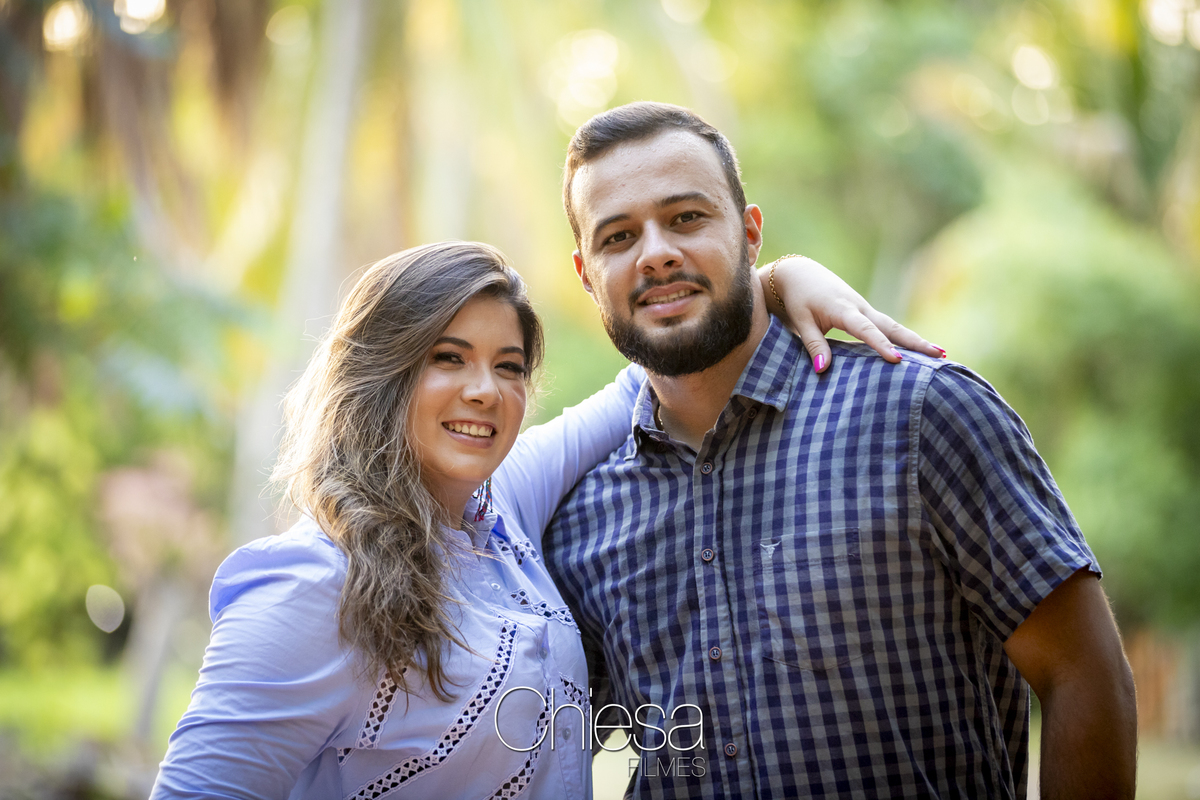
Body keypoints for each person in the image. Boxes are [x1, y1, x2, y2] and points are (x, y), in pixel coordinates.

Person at [150, 241, 933, 798]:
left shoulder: (503, 507)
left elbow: (643, 381)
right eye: (448, 357)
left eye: (510, 366)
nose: (486, 390)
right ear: (382, 372)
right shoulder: (312, 585)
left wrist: (772, 281)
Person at [519, 102, 1138, 799]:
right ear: (586, 274)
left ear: (751, 234)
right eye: (619, 236)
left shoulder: (921, 415)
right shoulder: (579, 519)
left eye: (687, 217)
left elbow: (1083, 673)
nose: (655, 252)